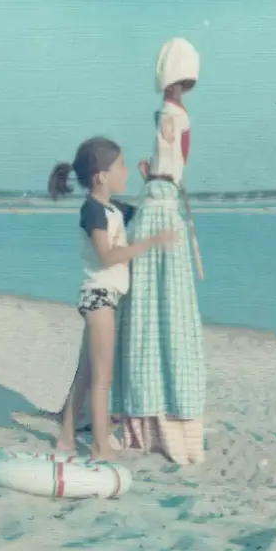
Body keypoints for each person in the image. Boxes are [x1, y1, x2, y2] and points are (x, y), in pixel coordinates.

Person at [47, 136, 176, 461]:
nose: (126, 171)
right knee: (102, 376)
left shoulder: (113, 208)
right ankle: (101, 446)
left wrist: (153, 181)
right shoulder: (92, 210)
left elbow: (146, 211)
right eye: (120, 166)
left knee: (88, 374)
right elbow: (106, 256)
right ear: (100, 176)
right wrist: (153, 242)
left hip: (103, 297)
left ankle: (66, 438)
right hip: (99, 297)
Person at [110, 38, 207, 465]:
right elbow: (173, 162)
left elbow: (169, 155)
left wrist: (155, 173)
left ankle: (146, 421)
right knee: (163, 308)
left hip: (159, 208)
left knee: (148, 309)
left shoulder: (170, 115)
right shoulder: (178, 114)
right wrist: (157, 172)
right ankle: (161, 419)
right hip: (165, 203)